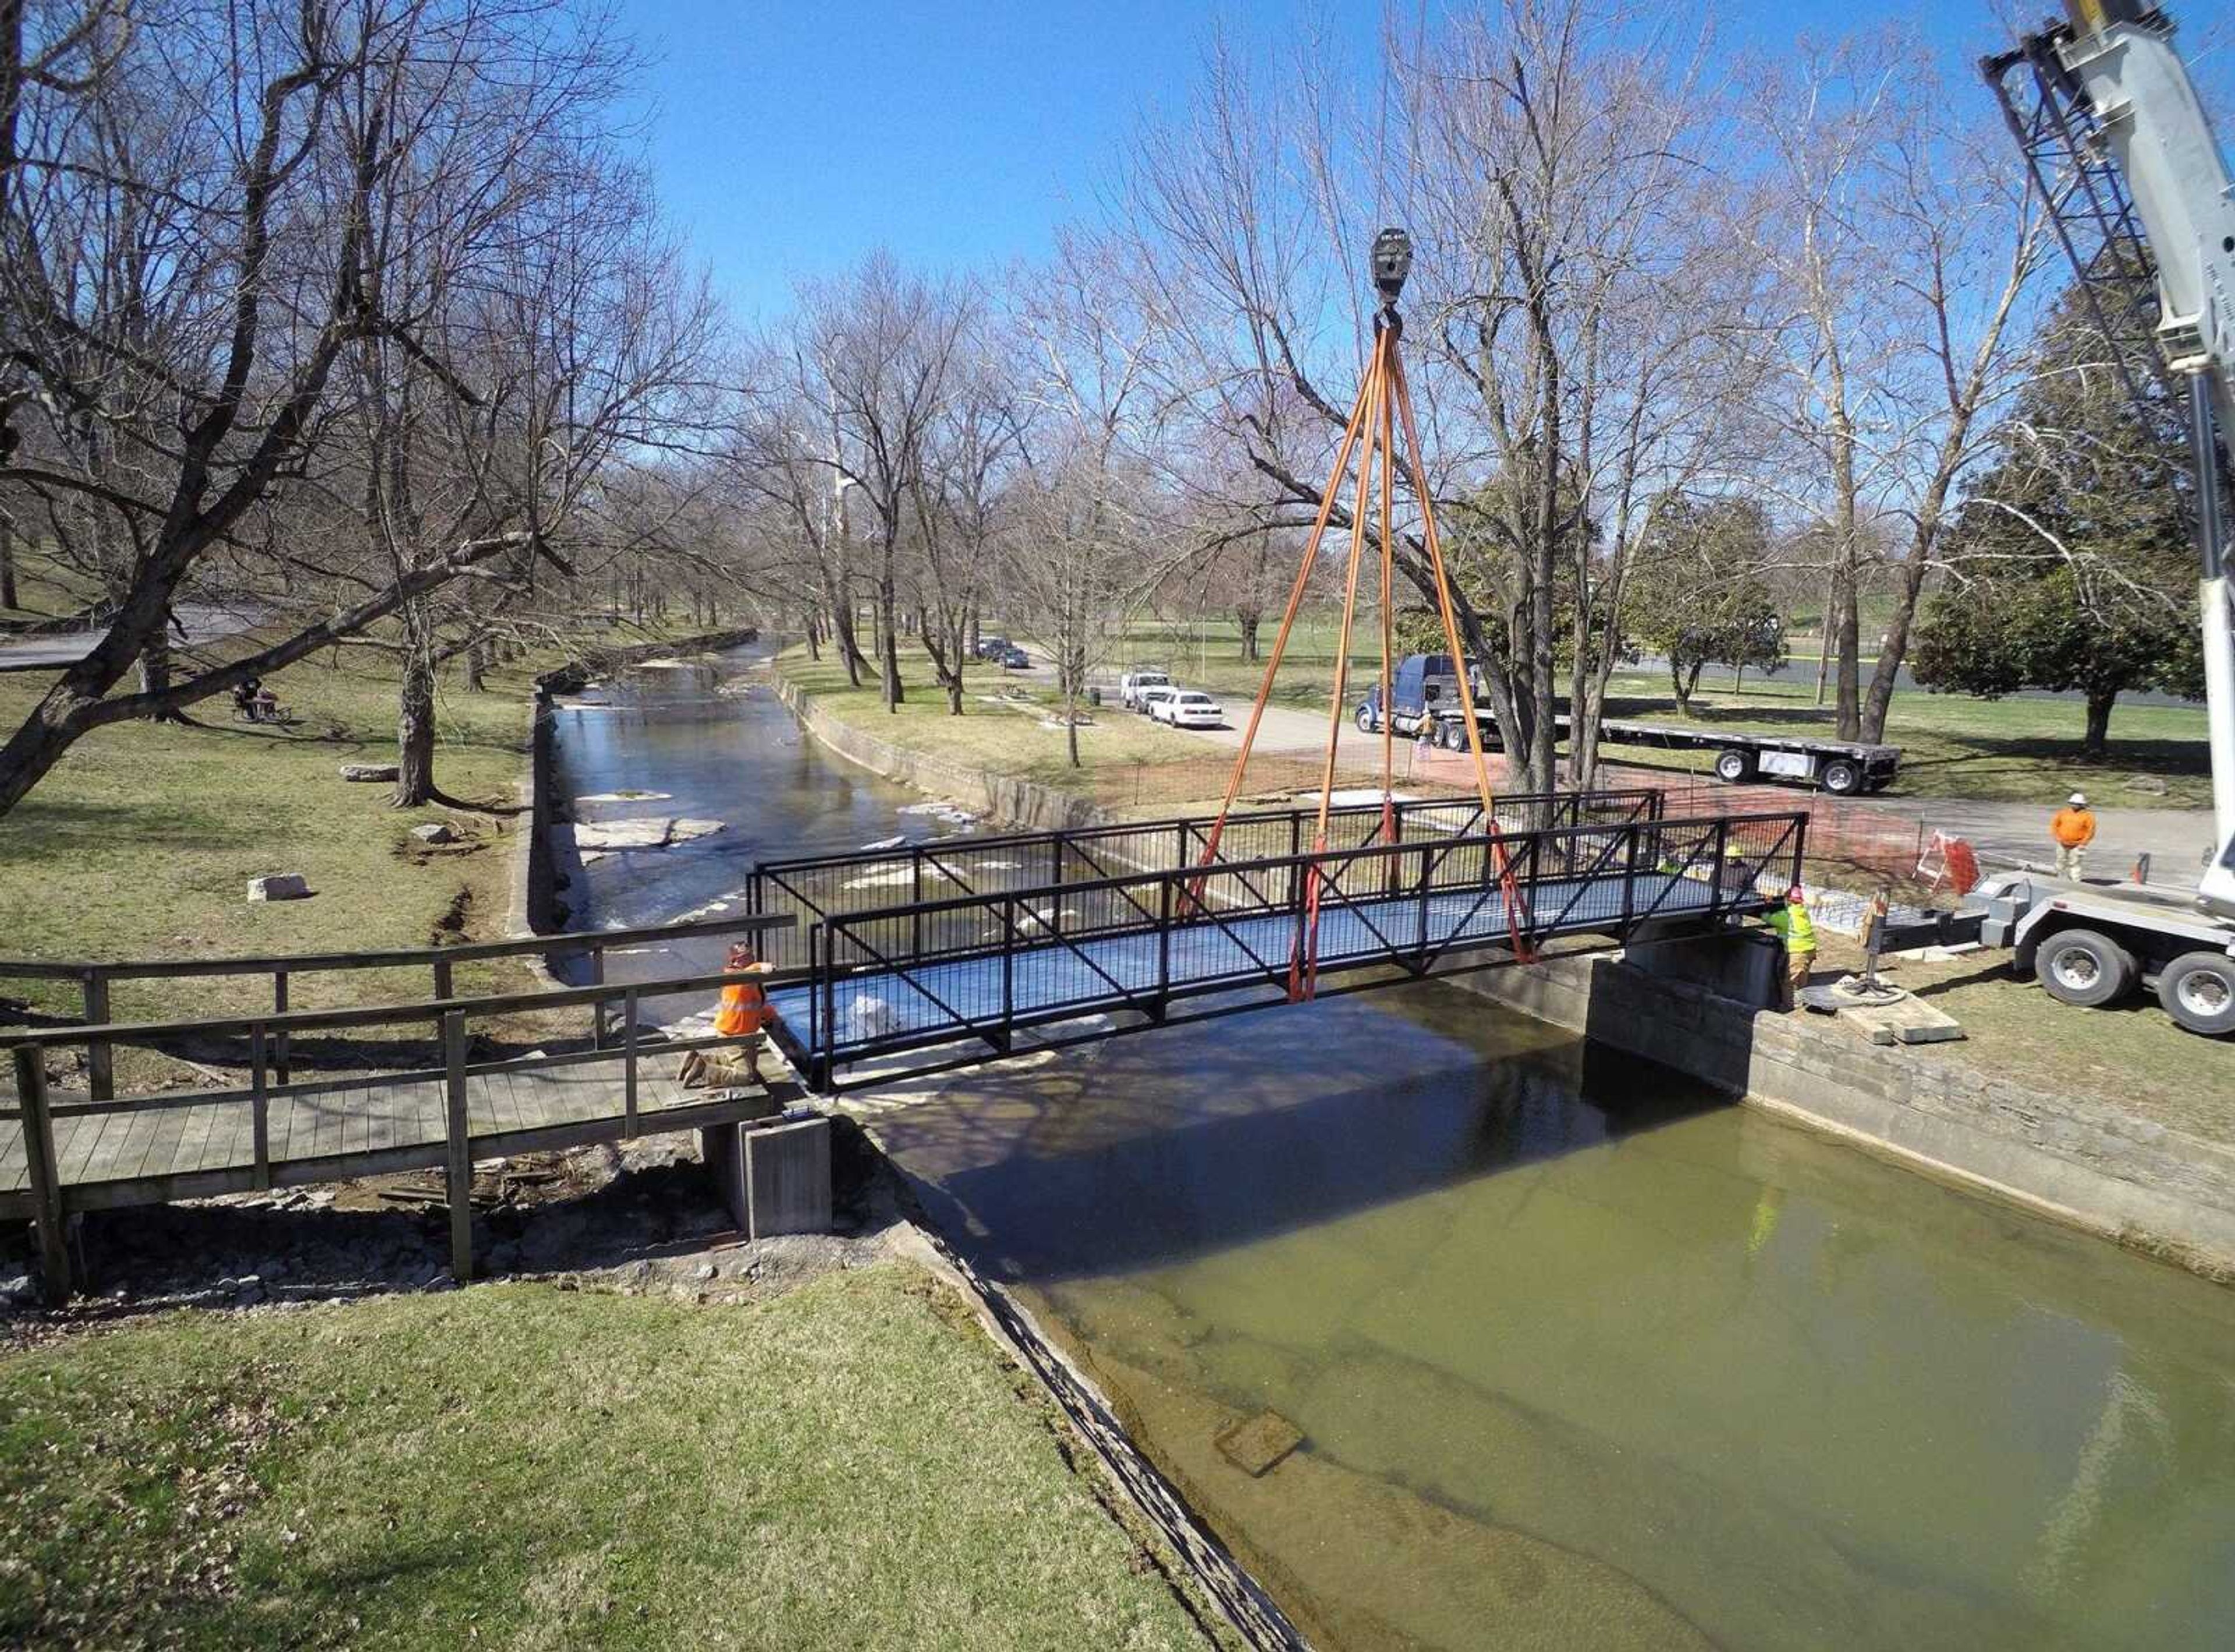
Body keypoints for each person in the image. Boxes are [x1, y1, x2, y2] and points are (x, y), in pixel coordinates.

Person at [678, 942, 779, 1089]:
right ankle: (705, 1070)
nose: (751, 958)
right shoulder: (736, 979)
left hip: (743, 1033)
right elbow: (746, 982)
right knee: (746, 1077)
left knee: (747, 1065)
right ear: (735, 961)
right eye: (745, 957)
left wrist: (771, 1016)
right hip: (734, 1034)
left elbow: (755, 1003)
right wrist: (759, 966)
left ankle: (699, 1059)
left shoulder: (750, 978)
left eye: (752, 955)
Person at [1761, 884, 1817, 1011]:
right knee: (1802, 979)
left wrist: (1768, 905)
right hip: (1810, 949)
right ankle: (1802, 1001)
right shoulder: (1803, 912)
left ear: (1787, 900)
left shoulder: (1785, 916)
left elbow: (1766, 918)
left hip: (1797, 951)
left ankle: (1788, 1006)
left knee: (1789, 982)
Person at [2050, 791, 2095, 883]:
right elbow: (2055, 825)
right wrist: (2057, 837)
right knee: (2060, 862)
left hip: (2078, 845)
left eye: (2076, 804)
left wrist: (2083, 843)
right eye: (2072, 803)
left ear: (2081, 805)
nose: (2074, 805)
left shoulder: (2088, 816)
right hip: (2062, 843)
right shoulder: (2063, 813)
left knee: (2075, 864)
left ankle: (2075, 882)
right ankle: (2058, 880)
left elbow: (2090, 831)